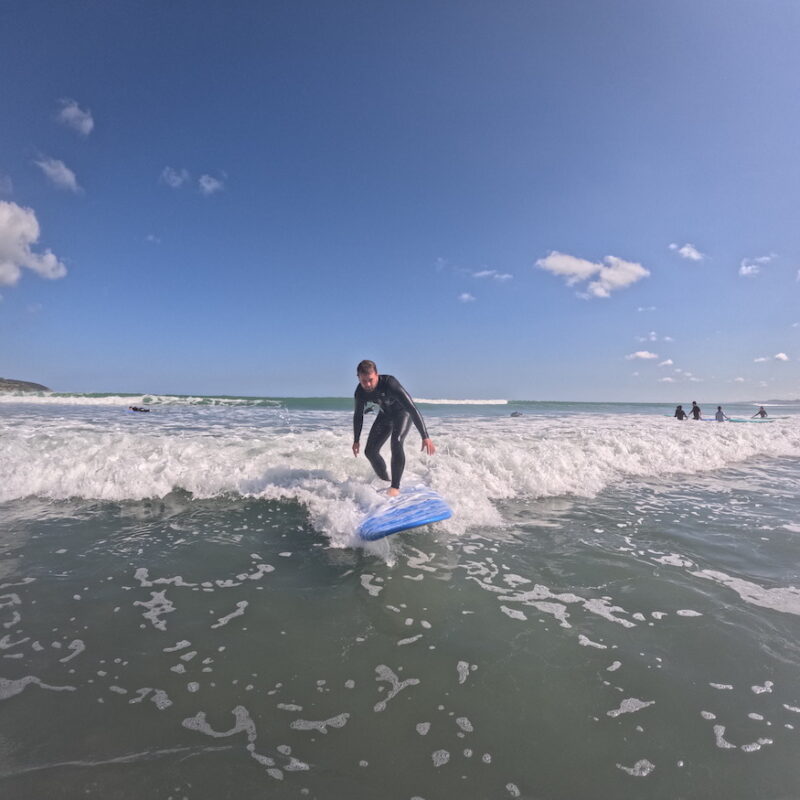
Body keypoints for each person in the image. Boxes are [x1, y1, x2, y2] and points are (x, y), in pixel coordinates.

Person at [352, 360, 435, 497]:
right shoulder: (360, 392)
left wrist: (425, 436)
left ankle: (395, 487)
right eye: (363, 381)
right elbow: (358, 416)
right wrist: (356, 440)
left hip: (403, 413)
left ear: (377, 375)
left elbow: (412, 409)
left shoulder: (390, 383)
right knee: (370, 451)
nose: (367, 384)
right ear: (358, 378)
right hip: (385, 415)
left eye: (370, 380)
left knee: (396, 441)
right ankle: (385, 480)